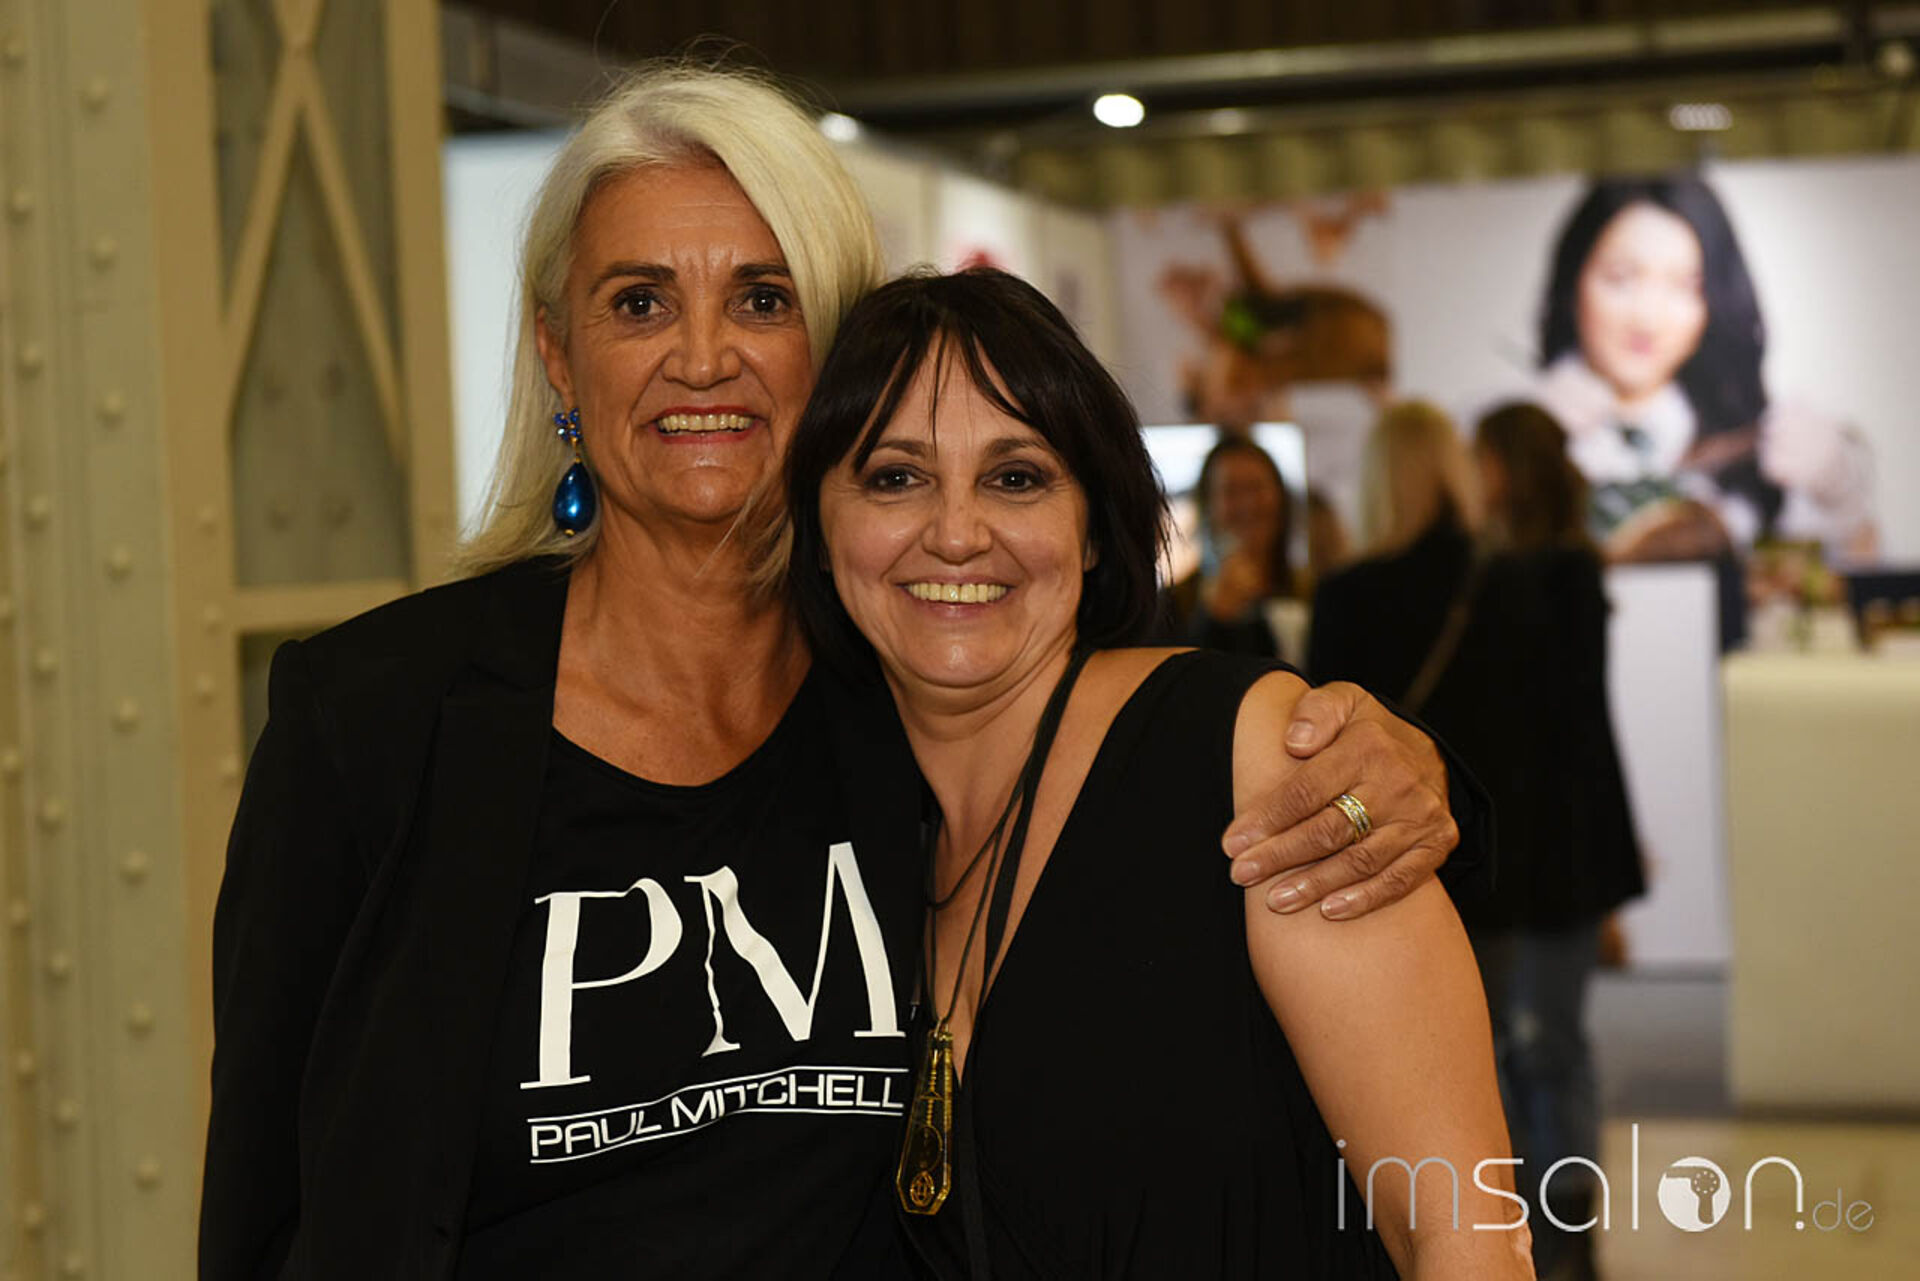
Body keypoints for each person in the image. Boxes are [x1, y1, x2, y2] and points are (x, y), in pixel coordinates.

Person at [200, 65, 1490, 1280]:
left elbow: (1161, 813)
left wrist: (1403, 766)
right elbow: (267, 1205)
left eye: (763, 299)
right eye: (639, 301)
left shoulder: (903, 705)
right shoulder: (375, 721)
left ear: (833, 355)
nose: (702, 357)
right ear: (557, 352)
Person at [786, 268, 1531, 1280]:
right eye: (894, 477)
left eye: (1016, 477)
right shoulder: (859, 832)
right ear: (820, 529)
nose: (955, 532)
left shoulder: (1249, 759)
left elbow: (1463, 1232)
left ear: (1093, 528)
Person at [1307, 401, 1642, 1281]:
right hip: (1516, 857)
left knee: (1456, 1068)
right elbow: (1562, 736)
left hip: (1397, 875)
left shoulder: (1350, 595)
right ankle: (1558, 1246)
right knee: (1544, 1051)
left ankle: (1484, 1240)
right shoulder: (1515, 582)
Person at [1534, 174, 1876, 567]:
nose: (1647, 318)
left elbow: (1855, 559)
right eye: (1621, 279)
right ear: (1574, 281)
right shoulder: (1530, 425)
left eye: (1684, 286)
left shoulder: (1755, 440)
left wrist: (1836, 490)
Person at [1156, 436, 1305, 659]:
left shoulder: (1312, 591)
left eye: (1256, 488)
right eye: (1231, 491)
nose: (1247, 504)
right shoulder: (1173, 606)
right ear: (1208, 506)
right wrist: (1215, 618)